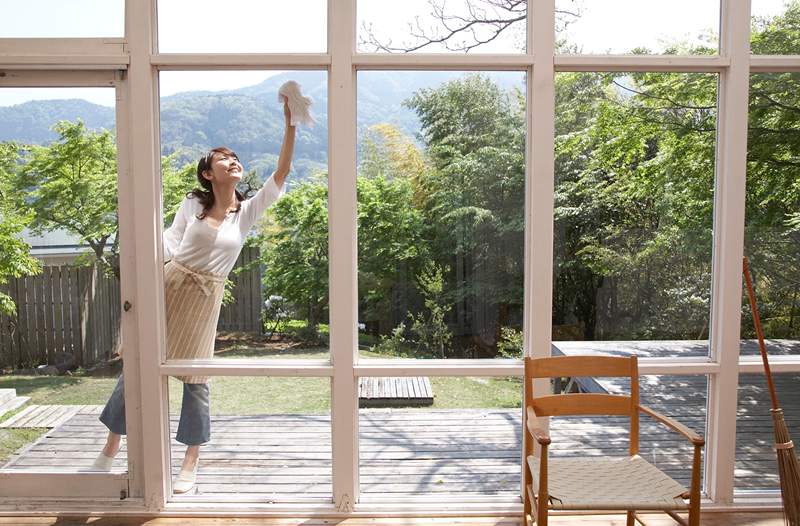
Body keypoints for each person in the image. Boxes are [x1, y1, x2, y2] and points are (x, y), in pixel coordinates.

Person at [92, 97, 297, 495]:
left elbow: (283, 171)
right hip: (170, 285)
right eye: (224, 159)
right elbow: (169, 240)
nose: (233, 161)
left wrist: (289, 124)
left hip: (205, 300)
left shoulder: (248, 211)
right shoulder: (193, 203)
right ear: (208, 173)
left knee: (196, 379)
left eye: (235, 158)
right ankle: (112, 446)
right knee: (136, 366)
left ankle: (190, 461)